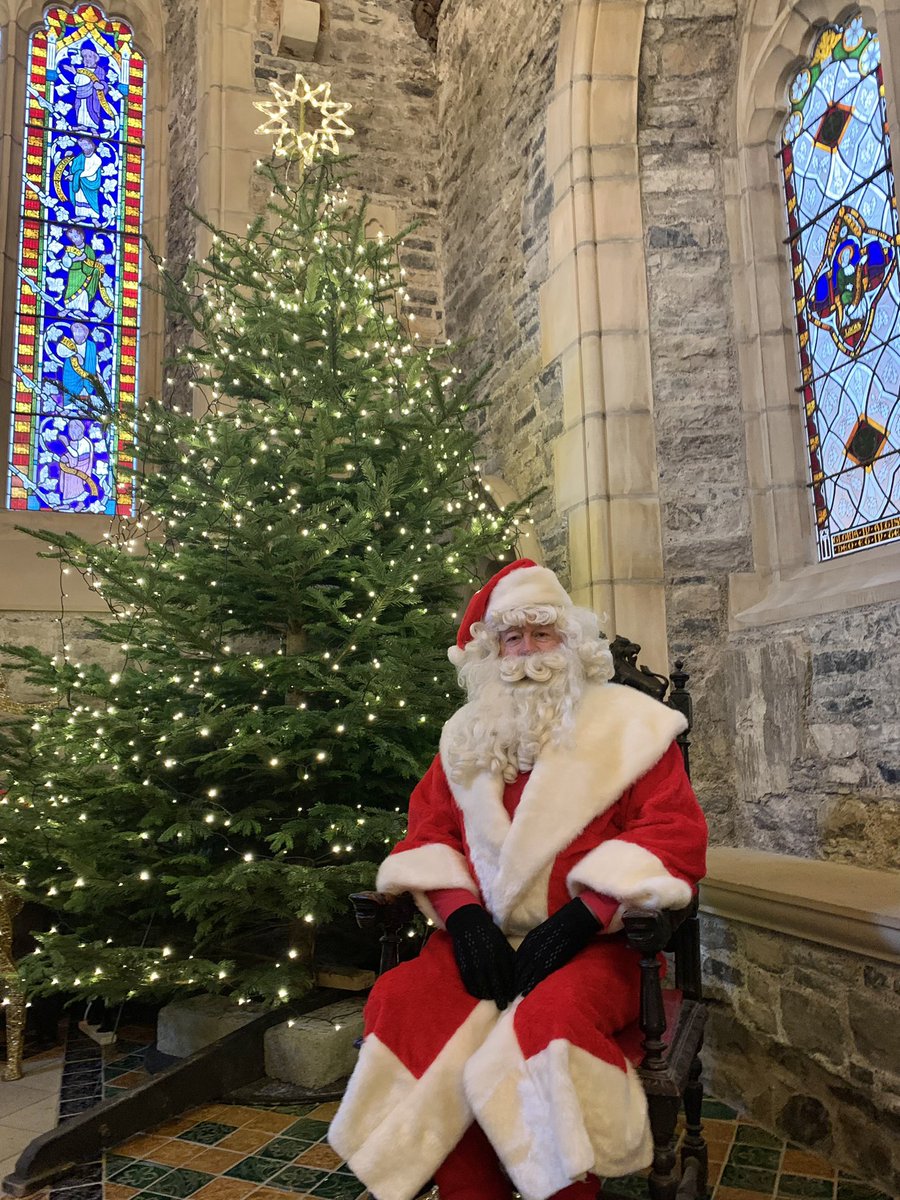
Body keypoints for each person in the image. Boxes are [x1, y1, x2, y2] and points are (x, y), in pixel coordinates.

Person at [329, 559, 708, 1200]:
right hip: (481, 936)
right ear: (492, 652)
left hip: (597, 947)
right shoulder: (465, 736)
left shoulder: (634, 728)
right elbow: (428, 833)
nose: (528, 653)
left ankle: (562, 1189)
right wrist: (463, 918)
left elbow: (672, 832)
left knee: (546, 1028)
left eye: (542, 634)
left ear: (570, 642)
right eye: (513, 638)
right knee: (407, 1004)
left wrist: (584, 917)